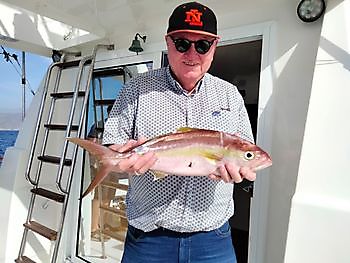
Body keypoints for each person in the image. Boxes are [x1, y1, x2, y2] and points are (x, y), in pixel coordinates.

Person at [103, 2, 256, 262]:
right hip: (149, 238)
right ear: (168, 42)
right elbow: (111, 150)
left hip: (212, 239)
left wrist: (242, 174)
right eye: (182, 43)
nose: (192, 54)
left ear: (214, 46)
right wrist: (120, 161)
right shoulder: (137, 89)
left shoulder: (230, 95)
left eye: (203, 45)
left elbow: (247, 156)